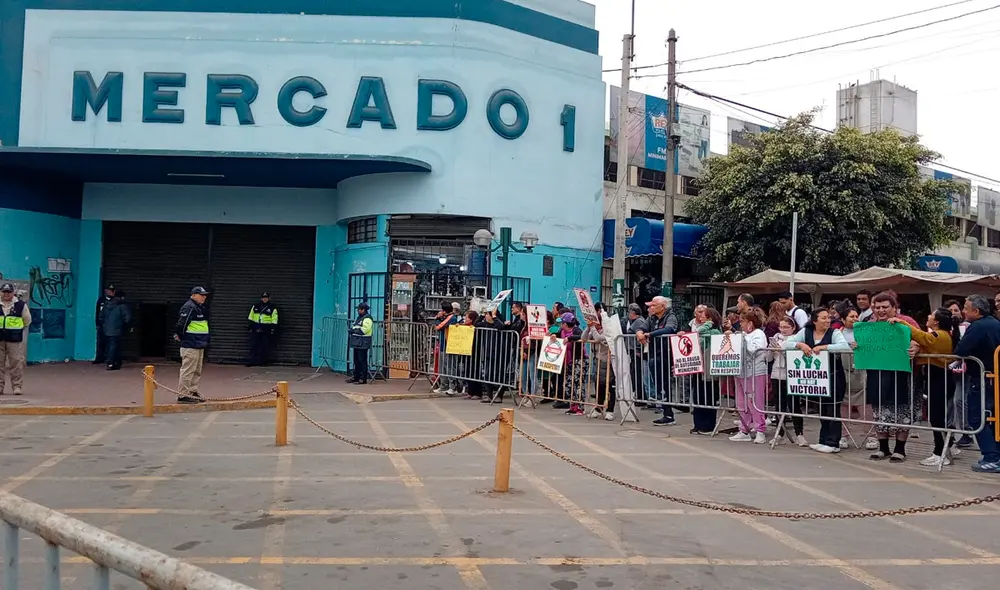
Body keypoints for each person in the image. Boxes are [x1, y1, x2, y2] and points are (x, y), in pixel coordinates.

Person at [782, 306, 852, 453]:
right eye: (824, 318)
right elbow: (786, 344)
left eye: (828, 317)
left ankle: (833, 442)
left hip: (834, 376)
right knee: (822, 408)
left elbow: (844, 346)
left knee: (833, 409)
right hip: (818, 379)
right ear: (814, 321)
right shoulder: (806, 332)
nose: (828, 320)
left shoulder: (834, 333)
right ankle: (823, 440)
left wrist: (825, 347)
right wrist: (799, 344)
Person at [900, 308, 954, 467]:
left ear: (936, 321)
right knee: (934, 415)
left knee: (937, 417)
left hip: (940, 378)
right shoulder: (937, 336)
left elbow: (921, 337)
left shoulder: (940, 335)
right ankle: (940, 451)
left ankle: (943, 453)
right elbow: (923, 343)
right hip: (933, 378)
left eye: (931, 315)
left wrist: (902, 322)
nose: (928, 316)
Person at [866, 292, 916, 462]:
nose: (881, 310)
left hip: (901, 375)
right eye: (877, 307)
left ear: (894, 308)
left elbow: (923, 339)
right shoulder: (868, 325)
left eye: (885, 307)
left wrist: (916, 346)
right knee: (879, 412)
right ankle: (883, 448)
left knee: (902, 412)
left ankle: (900, 449)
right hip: (877, 375)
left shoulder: (907, 322)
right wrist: (858, 345)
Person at [953, 294, 1000, 473]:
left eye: (965, 307)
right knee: (994, 417)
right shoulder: (995, 323)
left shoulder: (977, 326)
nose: (963, 311)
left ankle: (991, 457)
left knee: (978, 418)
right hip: (993, 378)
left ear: (976, 311)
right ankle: (996, 454)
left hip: (982, 379)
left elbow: (962, 350)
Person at [728, 308, 769, 444]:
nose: (740, 324)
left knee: (755, 402)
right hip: (740, 371)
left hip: (755, 372)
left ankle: (760, 430)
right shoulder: (743, 334)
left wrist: (742, 338)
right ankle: (744, 429)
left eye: (742, 321)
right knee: (742, 403)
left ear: (750, 323)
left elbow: (754, 350)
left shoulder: (759, 334)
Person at [637, 296, 678, 426]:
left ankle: (668, 412)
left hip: (667, 353)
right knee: (655, 371)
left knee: (665, 382)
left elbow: (669, 329)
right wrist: (639, 333)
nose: (651, 308)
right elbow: (641, 328)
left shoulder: (670, 316)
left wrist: (650, 334)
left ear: (662, 307)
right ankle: (665, 407)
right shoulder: (652, 318)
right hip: (654, 352)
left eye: (654, 305)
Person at [686, 305, 723, 434]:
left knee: (708, 395)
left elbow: (699, 332)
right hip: (699, 366)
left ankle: (708, 425)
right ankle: (698, 423)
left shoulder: (715, 331)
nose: (701, 317)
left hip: (708, 367)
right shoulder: (703, 329)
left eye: (704, 315)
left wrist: (708, 324)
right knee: (698, 395)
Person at [771, 317, 807, 446]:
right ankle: (779, 433)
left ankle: (799, 434)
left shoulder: (797, 339)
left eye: (786, 327)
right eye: (781, 327)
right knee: (779, 405)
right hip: (777, 373)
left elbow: (797, 357)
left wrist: (783, 351)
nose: (783, 330)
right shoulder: (776, 338)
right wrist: (771, 349)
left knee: (794, 405)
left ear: (793, 328)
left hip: (792, 374)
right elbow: (768, 357)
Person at [173, 286, 210, 404]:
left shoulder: (199, 307)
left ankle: (192, 391)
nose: (204, 297)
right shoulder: (189, 307)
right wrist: (180, 336)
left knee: (197, 370)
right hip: (191, 344)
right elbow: (181, 325)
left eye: (205, 295)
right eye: (201, 295)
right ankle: (183, 394)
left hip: (199, 343)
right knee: (188, 370)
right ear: (193, 295)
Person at [0, 283, 31, 396]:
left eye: (8, 292)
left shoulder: (21, 305)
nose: (6, 294)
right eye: (4, 292)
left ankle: (17, 387)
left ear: (13, 293)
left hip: (14, 339)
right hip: (0, 339)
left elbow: (27, 320)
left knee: (16, 363)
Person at [99, 290, 131, 371]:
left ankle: (115, 362)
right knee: (114, 346)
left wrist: (105, 325)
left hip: (106, 329)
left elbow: (101, 317)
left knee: (111, 346)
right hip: (116, 329)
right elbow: (127, 319)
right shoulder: (122, 306)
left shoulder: (107, 304)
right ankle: (110, 363)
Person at [433, 303, 461, 395]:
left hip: (449, 345)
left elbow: (438, 327)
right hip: (442, 345)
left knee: (450, 367)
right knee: (443, 367)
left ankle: (452, 387)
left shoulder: (452, 318)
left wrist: (437, 318)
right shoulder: (446, 317)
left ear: (444, 311)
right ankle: (443, 386)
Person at [246, 292, 278, 367]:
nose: (265, 299)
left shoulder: (272, 308)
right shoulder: (255, 306)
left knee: (264, 346)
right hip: (256, 328)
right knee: (253, 345)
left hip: (266, 329)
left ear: (269, 298)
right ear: (261, 298)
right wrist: (250, 327)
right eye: (263, 297)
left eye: (266, 297)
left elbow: (274, 319)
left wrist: (273, 329)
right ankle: (252, 361)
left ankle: (263, 362)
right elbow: (251, 317)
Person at [347, 302, 374, 385]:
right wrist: (352, 330)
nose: (358, 310)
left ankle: (363, 378)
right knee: (356, 360)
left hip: (363, 342)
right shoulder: (359, 317)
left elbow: (364, 330)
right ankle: (356, 377)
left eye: (359, 309)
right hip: (357, 341)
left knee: (362, 360)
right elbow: (356, 326)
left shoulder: (367, 318)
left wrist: (353, 331)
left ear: (363, 309)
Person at [93, 283, 116, 365]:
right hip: (102, 324)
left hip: (111, 325)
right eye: (109, 290)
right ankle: (99, 358)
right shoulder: (101, 300)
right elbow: (97, 312)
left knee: (111, 343)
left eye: (112, 291)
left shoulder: (115, 301)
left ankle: (110, 359)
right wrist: (97, 324)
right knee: (100, 342)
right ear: (105, 291)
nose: (110, 292)